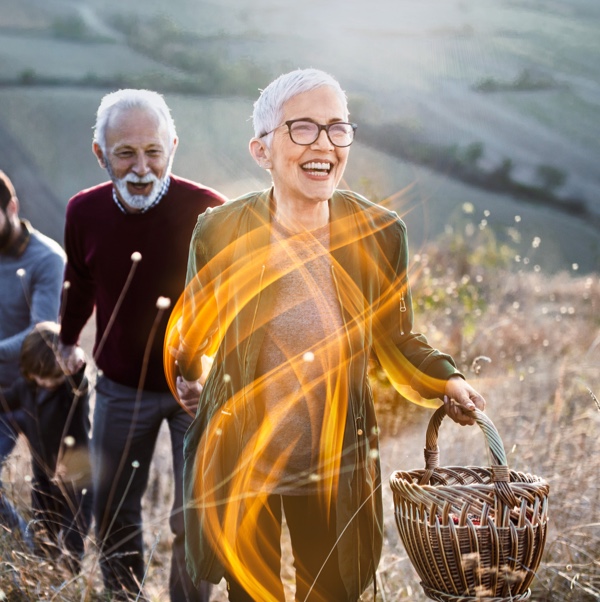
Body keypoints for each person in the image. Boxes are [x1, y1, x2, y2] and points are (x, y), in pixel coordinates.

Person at [167, 68, 487, 602]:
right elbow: (194, 330)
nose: (325, 144)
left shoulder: (381, 234)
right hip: (245, 456)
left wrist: (446, 381)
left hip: (336, 458)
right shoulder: (220, 231)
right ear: (262, 150)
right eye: (303, 128)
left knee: (333, 591)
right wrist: (190, 369)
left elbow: (397, 338)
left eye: (338, 128)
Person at [57, 89, 227, 601]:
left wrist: (211, 370)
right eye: (125, 153)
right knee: (111, 510)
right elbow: (81, 281)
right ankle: (123, 595)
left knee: (194, 517)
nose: (140, 167)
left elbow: (230, 302)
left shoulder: (209, 211)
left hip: (193, 391)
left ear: (172, 147)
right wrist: (67, 341)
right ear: (100, 153)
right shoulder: (83, 212)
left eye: (153, 151)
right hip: (119, 387)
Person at [0, 170, 66, 544]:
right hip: (0, 396)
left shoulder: (47, 259)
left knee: (54, 492)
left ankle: (57, 565)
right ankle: (25, 548)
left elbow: (40, 333)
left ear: (12, 207)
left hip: (41, 393)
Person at [0, 321, 91, 573]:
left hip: (76, 481)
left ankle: (70, 580)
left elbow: (80, 382)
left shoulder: (71, 393)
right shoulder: (27, 387)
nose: (45, 383)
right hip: (43, 478)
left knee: (72, 546)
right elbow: (4, 401)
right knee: (43, 536)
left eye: (52, 378)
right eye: (39, 377)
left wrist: (74, 361)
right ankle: (46, 574)